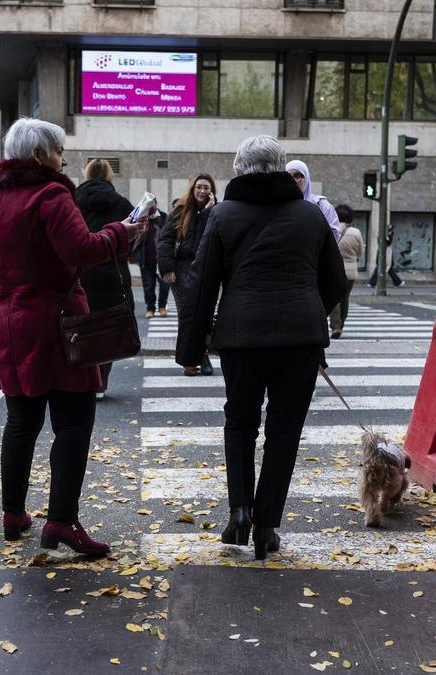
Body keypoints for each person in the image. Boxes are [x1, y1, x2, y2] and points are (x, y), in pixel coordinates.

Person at [0, 117, 146, 556]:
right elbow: (83, 250)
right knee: (73, 423)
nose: (64, 158)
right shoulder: (50, 195)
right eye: (58, 151)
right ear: (39, 156)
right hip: (54, 321)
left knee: (21, 421)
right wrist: (121, 233)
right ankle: (61, 522)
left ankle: (13, 513)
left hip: (8, 319)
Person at [176, 135, 345, 561]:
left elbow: (201, 286)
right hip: (301, 340)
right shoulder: (311, 217)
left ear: (238, 168)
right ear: (280, 165)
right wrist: (310, 310)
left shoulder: (222, 216)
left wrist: (191, 349)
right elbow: (336, 282)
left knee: (240, 422)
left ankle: (240, 510)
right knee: (284, 432)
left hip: (241, 338)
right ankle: (267, 526)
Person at [75, 158, 137, 400]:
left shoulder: (73, 200)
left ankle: (85, 378)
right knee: (109, 328)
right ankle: (101, 381)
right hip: (112, 272)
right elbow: (132, 235)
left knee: (84, 327)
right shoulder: (121, 204)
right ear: (110, 176)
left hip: (82, 273)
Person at [157, 174, 216, 376]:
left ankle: (203, 354)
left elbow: (210, 239)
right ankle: (190, 360)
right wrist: (167, 268)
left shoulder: (215, 212)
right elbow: (165, 239)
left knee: (205, 313)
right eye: (199, 187)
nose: (202, 191)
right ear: (193, 189)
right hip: (181, 269)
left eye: (206, 188)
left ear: (212, 191)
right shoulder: (180, 210)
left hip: (206, 268)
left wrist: (209, 212)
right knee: (187, 314)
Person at [329, 204, 364, 339]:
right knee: (345, 298)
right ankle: (341, 325)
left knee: (334, 299)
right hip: (350, 271)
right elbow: (360, 252)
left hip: (334, 269)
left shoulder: (332, 230)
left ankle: (335, 326)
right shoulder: (356, 233)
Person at [285, 159, 341, 241]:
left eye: (297, 176)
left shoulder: (321, 205)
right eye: (289, 176)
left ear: (306, 178)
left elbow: (334, 233)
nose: (292, 180)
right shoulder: (280, 204)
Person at [135, 208, 170, 318]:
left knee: (164, 286)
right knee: (148, 286)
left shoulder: (162, 218)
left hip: (161, 261)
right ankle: (150, 309)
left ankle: (162, 307)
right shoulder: (140, 219)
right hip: (146, 261)